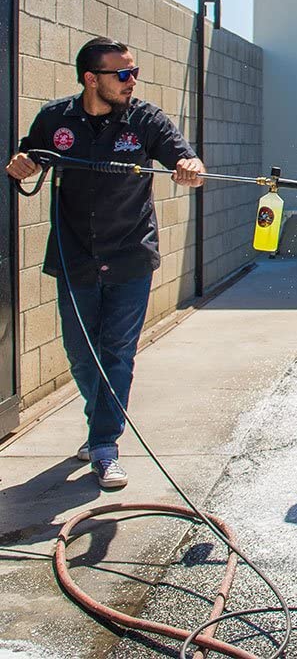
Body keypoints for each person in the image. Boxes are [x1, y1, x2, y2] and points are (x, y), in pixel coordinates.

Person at [5, 37, 205, 489]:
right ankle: (100, 423)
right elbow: (30, 154)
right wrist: (22, 164)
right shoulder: (56, 119)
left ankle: (104, 445)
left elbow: (183, 156)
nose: (132, 81)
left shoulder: (146, 119)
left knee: (116, 352)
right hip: (74, 255)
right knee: (81, 353)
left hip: (131, 255)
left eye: (134, 72)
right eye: (123, 74)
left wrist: (190, 167)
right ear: (91, 78)